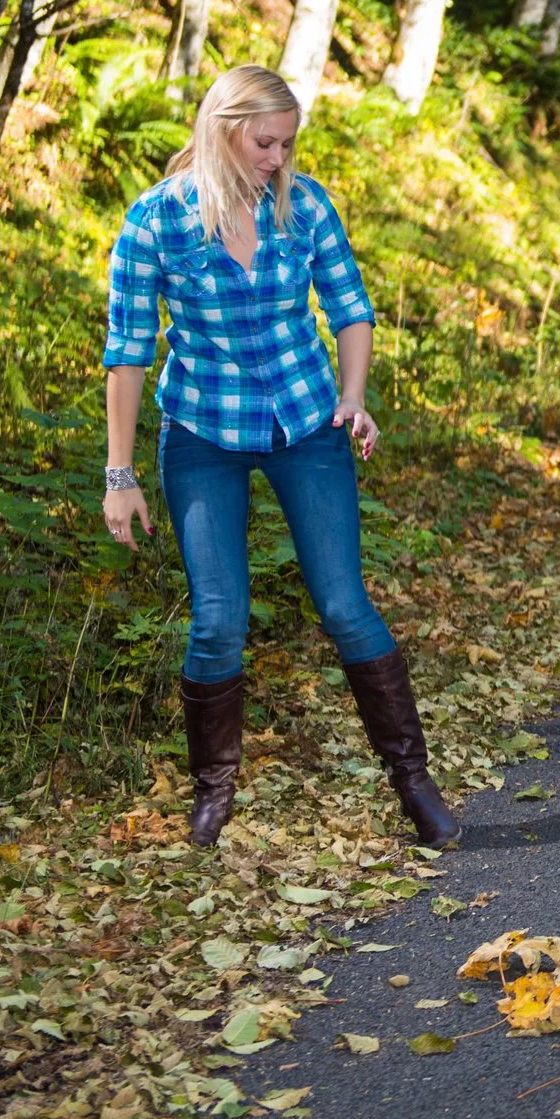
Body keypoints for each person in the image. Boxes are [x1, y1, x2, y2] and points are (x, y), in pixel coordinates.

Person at [99, 65, 461, 850]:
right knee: (219, 620)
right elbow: (126, 354)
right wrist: (119, 475)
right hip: (202, 431)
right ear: (223, 127)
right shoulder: (155, 222)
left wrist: (354, 396)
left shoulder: (305, 206)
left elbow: (351, 309)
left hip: (305, 420)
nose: (277, 156)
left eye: (287, 142)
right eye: (265, 141)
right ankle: (212, 795)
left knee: (342, 605)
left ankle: (413, 782)